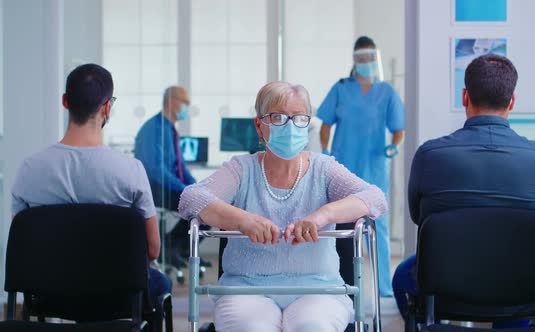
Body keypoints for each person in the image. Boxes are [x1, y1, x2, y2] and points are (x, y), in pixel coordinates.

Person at [179, 81, 387, 331]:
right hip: (246, 289)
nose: (290, 126)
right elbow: (191, 197)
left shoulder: (324, 169)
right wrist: (242, 220)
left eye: (299, 117)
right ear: (259, 125)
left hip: (318, 289)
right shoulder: (241, 169)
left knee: (312, 327)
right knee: (253, 328)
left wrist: (321, 216)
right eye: (277, 117)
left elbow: (375, 198)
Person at [393, 54, 535, 328]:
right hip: (519, 288)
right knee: (519, 271)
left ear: (465, 97)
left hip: (447, 285)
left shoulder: (430, 155)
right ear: (512, 101)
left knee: (402, 277)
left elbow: (419, 217)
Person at [11, 64, 171, 302]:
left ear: (65, 101)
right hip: (117, 294)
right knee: (161, 283)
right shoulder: (130, 171)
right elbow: (152, 250)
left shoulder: (29, 170)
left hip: (49, 294)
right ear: (107, 107)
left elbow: (24, 246)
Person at [316, 36, 404, 297]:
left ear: (374, 58)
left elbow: (398, 128)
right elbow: (325, 124)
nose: (365, 63)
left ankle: (384, 287)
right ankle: (338, 283)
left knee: (379, 228)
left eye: (369, 57)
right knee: (339, 227)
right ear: (355, 59)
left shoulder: (386, 92)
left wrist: (394, 146)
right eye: (361, 58)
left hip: (374, 166)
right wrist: (325, 151)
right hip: (344, 167)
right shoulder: (341, 88)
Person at [134, 86, 206, 267]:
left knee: (206, 202)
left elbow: (179, 165)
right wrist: (184, 189)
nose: (187, 108)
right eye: (185, 103)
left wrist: (196, 186)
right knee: (202, 208)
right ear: (172, 102)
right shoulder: (154, 129)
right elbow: (156, 169)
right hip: (156, 187)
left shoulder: (170, 130)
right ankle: (170, 247)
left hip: (168, 185)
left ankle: (180, 250)